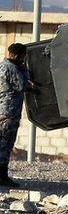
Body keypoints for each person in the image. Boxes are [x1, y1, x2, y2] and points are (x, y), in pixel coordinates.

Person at [0, 43, 31, 188]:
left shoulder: (2, 66)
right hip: (9, 113)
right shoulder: (12, 69)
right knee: (5, 145)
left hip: (3, 112)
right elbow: (22, 84)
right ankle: (2, 177)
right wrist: (25, 69)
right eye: (23, 56)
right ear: (19, 56)